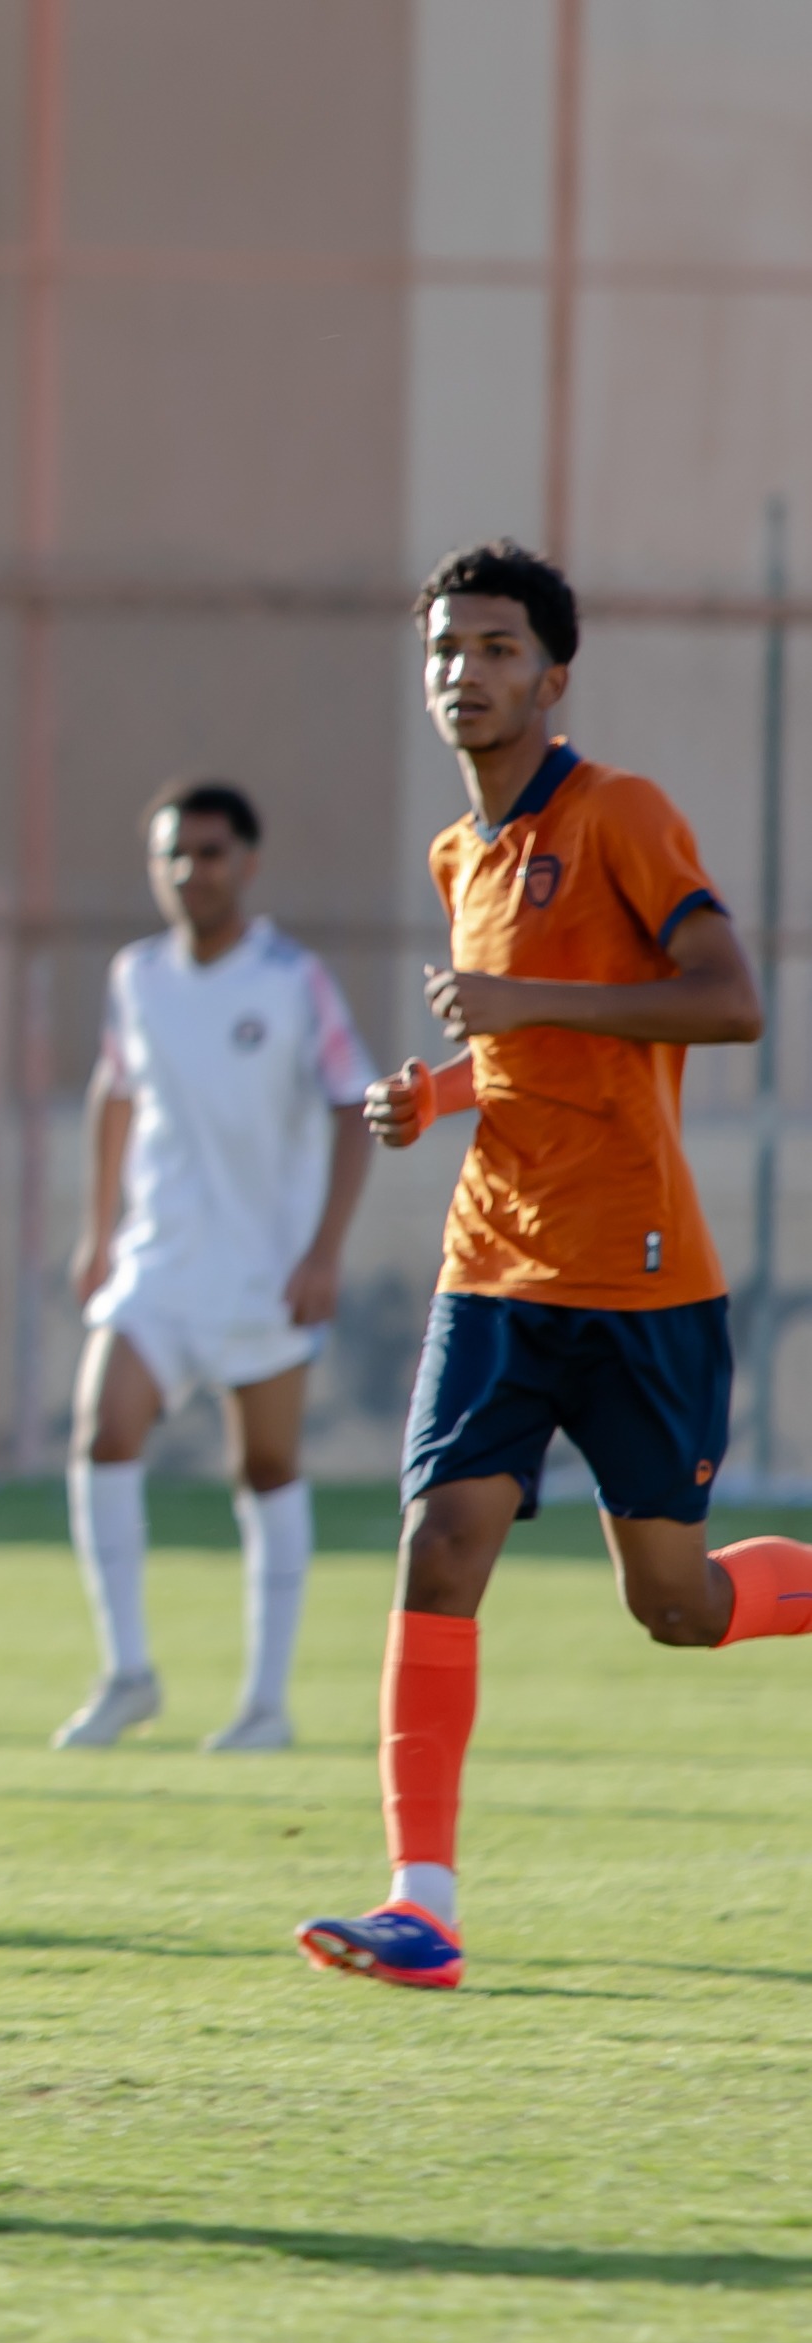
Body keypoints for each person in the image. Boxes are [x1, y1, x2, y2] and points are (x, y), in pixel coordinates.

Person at [305, 540, 791, 1993]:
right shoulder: (462, 852)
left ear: (551, 675)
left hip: (639, 1279)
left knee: (674, 1605)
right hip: (492, 1271)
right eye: (445, 648)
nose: (466, 671)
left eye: (497, 646)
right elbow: (530, 1061)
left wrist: (520, 997)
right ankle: (421, 1903)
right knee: (438, 1541)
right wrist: (436, 1097)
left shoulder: (619, 814)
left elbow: (729, 1002)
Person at [52, 781, 375, 1754]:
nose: (190, 871)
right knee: (100, 1430)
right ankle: (126, 1675)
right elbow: (112, 1093)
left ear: (247, 863)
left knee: (264, 1465)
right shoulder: (136, 976)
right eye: (173, 855)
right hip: (159, 1261)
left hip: (260, 1270)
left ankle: (263, 1706)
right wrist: (97, 1229)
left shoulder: (289, 980)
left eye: (208, 852)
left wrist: (322, 1251)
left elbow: (351, 1105)